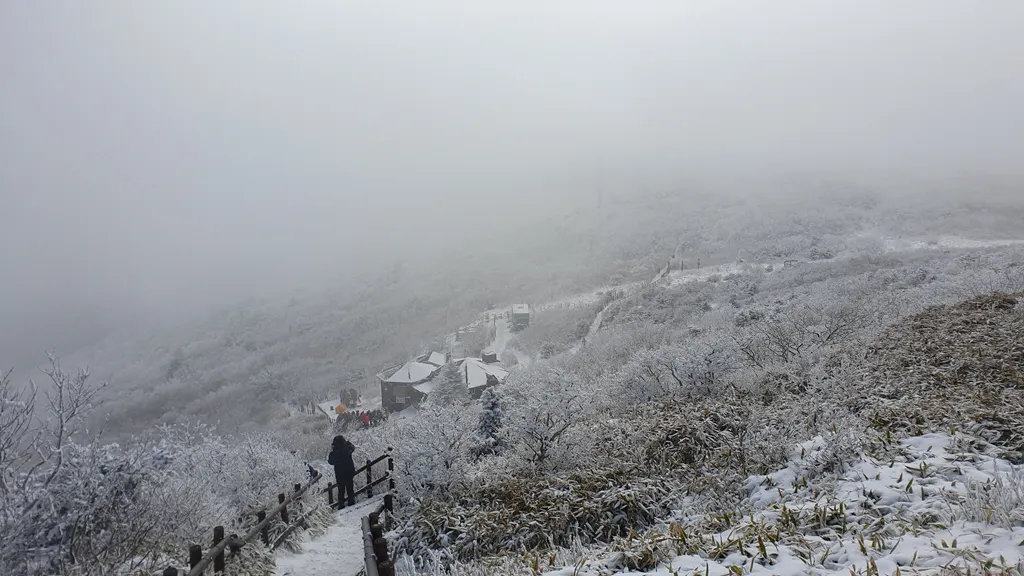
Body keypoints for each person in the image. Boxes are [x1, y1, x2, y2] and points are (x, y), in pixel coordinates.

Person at [328, 435, 356, 508]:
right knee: (350, 487)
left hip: (339, 473)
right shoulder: (347, 448)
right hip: (349, 471)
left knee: (341, 490)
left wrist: (335, 453)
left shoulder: (335, 452)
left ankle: (341, 504)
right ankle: (351, 501)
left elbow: (330, 461)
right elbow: (352, 448)